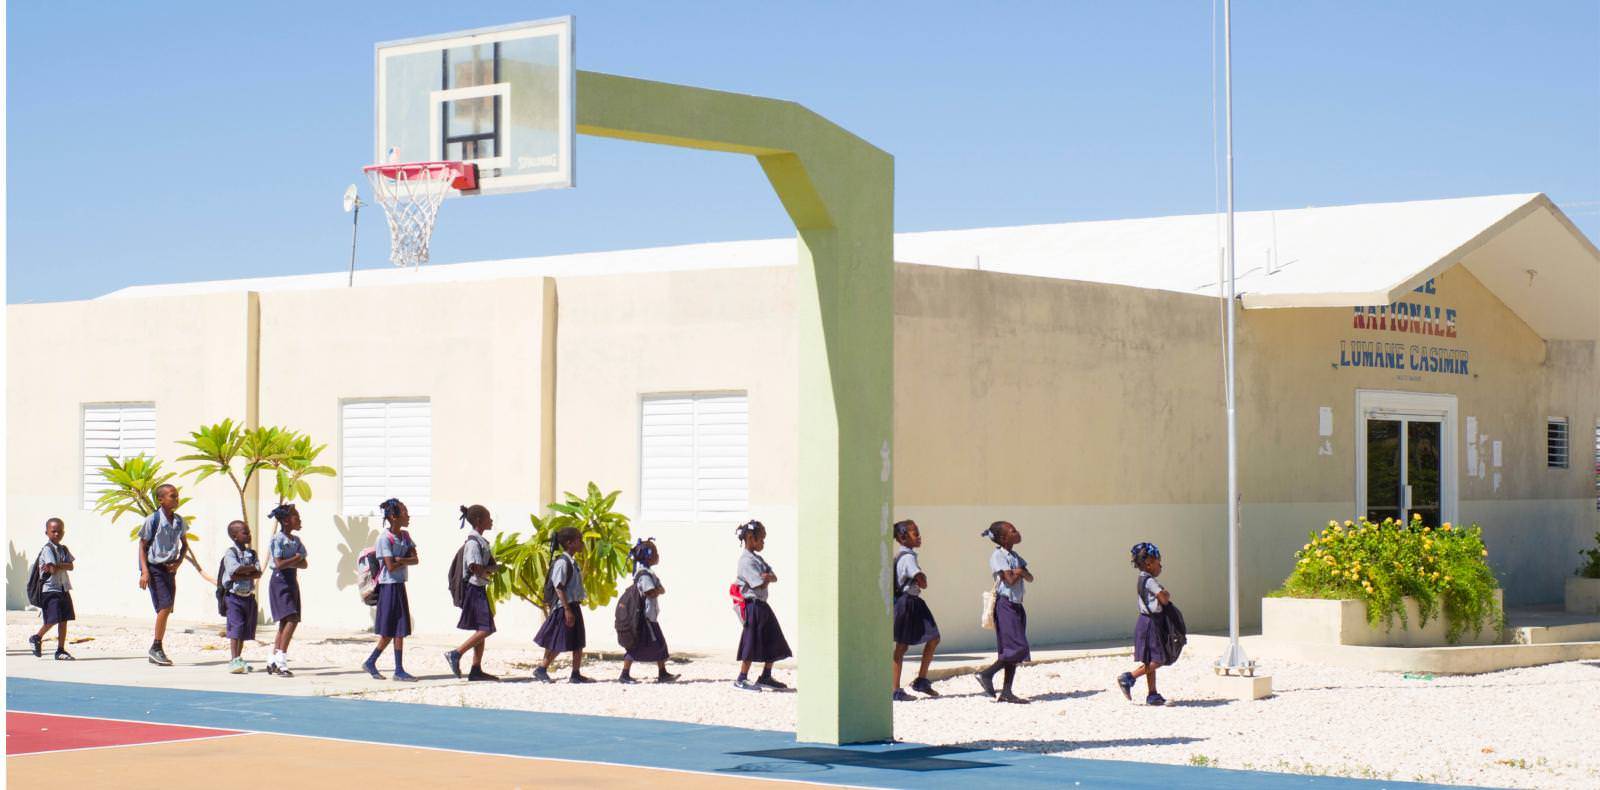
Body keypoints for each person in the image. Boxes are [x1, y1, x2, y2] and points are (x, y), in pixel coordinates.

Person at [733, 520, 792, 692]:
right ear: (751, 538)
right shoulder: (745, 561)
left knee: (773, 638)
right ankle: (741, 678)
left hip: (762, 605)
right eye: (761, 539)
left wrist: (767, 577)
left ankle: (766, 676)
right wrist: (766, 578)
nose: (763, 543)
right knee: (751, 641)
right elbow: (758, 583)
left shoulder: (757, 559)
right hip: (752, 606)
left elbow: (773, 576)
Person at [977, 520, 1032, 704]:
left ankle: (1007, 691)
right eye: (1013, 531)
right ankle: (986, 674)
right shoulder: (998, 556)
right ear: (1003, 538)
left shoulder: (1015, 556)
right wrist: (1019, 572)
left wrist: (1019, 572)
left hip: (1017, 605)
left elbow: (1030, 577)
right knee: (1017, 647)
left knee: (1011, 650)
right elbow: (1009, 580)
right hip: (1005, 605)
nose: (1017, 533)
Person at [363, 498, 418, 681]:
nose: (408, 516)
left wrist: (400, 559)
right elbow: (390, 566)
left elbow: (415, 559)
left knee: (400, 628)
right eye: (404, 512)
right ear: (394, 517)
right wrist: (403, 560)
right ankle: (373, 662)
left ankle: (397, 669)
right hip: (388, 587)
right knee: (389, 630)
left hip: (399, 585)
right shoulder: (384, 538)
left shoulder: (406, 536)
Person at [446, 504, 499, 681]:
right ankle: (456, 653)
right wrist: (491, 569)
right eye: (488, 517)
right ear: (478, 520)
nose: (491, 520)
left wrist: (490, 568)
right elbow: (475, 568)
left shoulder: (480, 541)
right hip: (474, 589)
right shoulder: (473, 543)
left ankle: (476, 669)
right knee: (486, 628)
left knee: (481, 628)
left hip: (479, 588)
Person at [138, 483, 190, 666]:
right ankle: (156, 647)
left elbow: (185, 545)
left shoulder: (179, 521)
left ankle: (156, 648)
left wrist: (178, 562)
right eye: (172, 496)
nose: (176, 499)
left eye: (177, 496)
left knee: (166, 608)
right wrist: (145, 571)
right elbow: (142, 546)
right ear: (160, 499)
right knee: (165, 606)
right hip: (155, 568)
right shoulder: (153, 520)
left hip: (170, 569)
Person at [533, 526, 592, 683]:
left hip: (573, 605)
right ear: (569, 543)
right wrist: (567, 609)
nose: (582, 543)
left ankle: (575, 673)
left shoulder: (572, 562)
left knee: (578, 641)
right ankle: (541, 669)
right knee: (559, 640)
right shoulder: (562, 562)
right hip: (564, 607)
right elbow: (558, 587)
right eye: (579, 540)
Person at [891, 519, 941, 701]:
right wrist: (922, 577)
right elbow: (920, 578)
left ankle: (921, 681)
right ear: (903, 537)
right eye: (915, 533)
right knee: (902, 646)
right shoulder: (908, 557)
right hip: (908, 603)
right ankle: (895, 689)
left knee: (932, 638)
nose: (919, 536)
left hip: (912, 602)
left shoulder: (905, 555)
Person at [1118, 542, 1173, 706]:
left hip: (1144, 621)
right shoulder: (1150, 581)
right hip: (1151, 623)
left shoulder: (1142, 579)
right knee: (1159, 659)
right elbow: (1164, 598)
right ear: (1149, 563)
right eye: (1158, 562)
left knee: (1150, 660)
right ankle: (1129, 677)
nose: (1160, 566)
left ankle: (1152, 694)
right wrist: (1165, 593)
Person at [619, 538, 678, 684]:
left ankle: (663, 672)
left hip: (650, 617)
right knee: (636, 646)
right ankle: (624, 674)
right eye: (655, 553)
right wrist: (658, 590)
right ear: (648, 556)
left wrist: (659, 589)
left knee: (659, 644)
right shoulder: (644, 575)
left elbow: (658, 589)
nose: (658, 556)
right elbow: (650, 591)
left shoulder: (648, 573)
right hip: (645, 618)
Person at [265, 503, 307, 677]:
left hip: (292, 581)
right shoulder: (277, 539)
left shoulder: (296, 541)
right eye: (296, 516)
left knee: (286, 621)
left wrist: (293, 560)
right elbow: (278, 564)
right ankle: (282, 659)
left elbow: (304, 564)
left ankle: (273, 659)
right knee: (292, 619)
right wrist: (296, 558)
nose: (300, 519)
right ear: (286, 521)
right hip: (279, 581)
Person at [29, 518, 76, 660]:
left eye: (59, 531)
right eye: (53, 531)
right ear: (47, 532)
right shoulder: (47, 549)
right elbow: (53, 569)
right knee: (53, 618)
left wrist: (57, 565)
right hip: (50, 589)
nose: (57, 534)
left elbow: (70, 566)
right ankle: (36, 637)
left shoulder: (64, 549)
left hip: (63, 588)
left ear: (63, 532)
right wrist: (61, 565)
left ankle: (60, 650)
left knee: (64, 619)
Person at [220, 520, 262, 674]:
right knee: (236, 627)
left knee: (243, 630)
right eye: (245, 533)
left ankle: (238, 658)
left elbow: (258, 572)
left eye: (249, 532)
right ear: (235, 536)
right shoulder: (231, 553)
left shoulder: (252, 554)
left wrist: (244, 571)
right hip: (234, 597)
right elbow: (233, 572)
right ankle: (234, 659)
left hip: (248, 597)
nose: (249, 535)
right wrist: (249, 570)